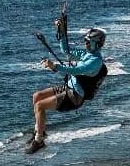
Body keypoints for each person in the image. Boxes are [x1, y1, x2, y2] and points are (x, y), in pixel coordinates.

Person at [26, 12, 108, 155]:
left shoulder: (95, 61)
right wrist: (62, 32)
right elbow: (66, 50)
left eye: (89, 42)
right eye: (86, 41)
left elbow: (78, 70)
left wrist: (55, 67)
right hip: (68, 87)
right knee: (37, 96)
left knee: (40, 105)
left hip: (74, 96)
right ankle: (40, 131)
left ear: (97, 44)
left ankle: (39, 141)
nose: (86, 44)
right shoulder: (87, 55)